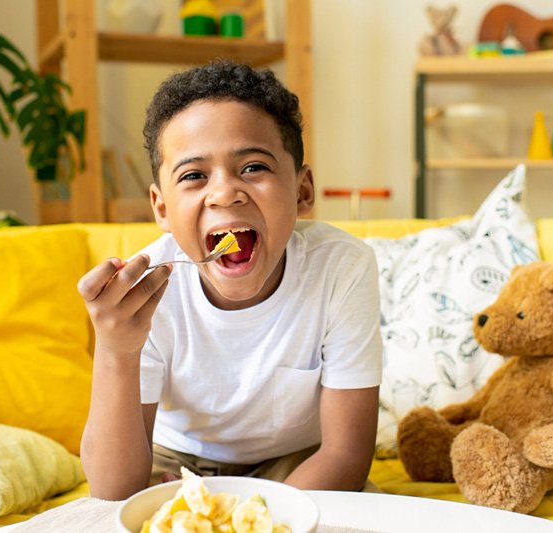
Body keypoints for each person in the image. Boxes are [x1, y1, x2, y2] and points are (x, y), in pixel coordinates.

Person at [77, 59, 382, 500]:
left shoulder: (343, 268)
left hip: (301, 466)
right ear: (161, 208)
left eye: (254, 167)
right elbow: (111, 488)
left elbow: (346, 456)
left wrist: (248, 517)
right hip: (171, 465)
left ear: (302, 191)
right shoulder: (144, 291)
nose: (224, 193)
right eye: (194, 176)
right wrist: (115, 349)